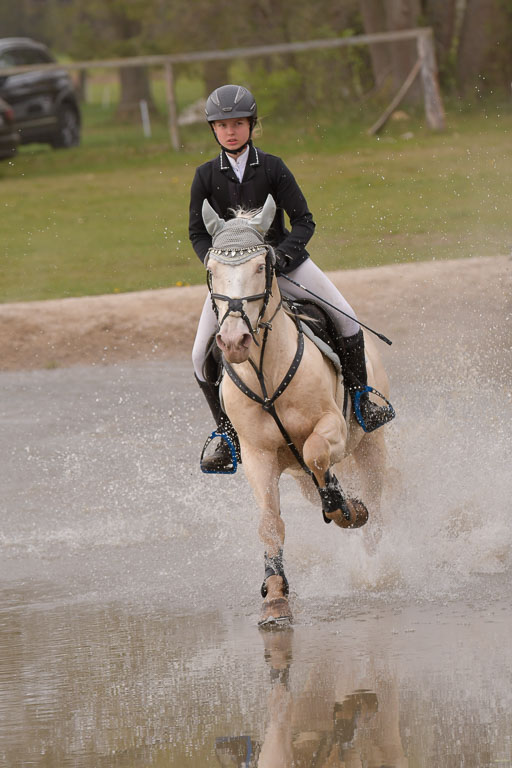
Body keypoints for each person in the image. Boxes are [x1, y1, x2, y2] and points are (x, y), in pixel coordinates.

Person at [189, 84, 394, 473]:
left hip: (285, 264)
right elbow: (198, 234)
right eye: (222, 125)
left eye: (237, 124)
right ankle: (226, 435)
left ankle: (362, 396)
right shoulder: (203, 177)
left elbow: (304, 221)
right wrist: (216, 266)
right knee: (200, 355)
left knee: (347, 320)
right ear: (213, 130)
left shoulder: (273, 168)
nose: (230, 132)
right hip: (236, 280)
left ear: (251, 125)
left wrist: (283, 256)